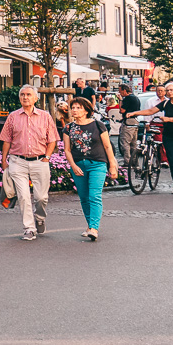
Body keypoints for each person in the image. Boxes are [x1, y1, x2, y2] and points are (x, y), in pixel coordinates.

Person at [0, 84, 59, 241]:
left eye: (28, 95)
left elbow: (52, 140)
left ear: (35, 98)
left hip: (40, 161)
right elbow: (6, 139)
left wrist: (47, 157)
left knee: (41, 198)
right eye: (22, 95)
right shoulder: (13, 116)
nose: (25, 97)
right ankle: (29, 228)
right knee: (23, 196)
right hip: (18, 161)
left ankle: (39, 217)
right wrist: (3, 160)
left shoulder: (45, 116)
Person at [63, 96, 118, 241]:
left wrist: (112, 165)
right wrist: (73, 166)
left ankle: (94, 227)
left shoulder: (98, 125)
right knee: (84, 198)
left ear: (87, 110)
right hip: (79, 165)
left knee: (94, 196)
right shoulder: (69, 128)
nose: (75, 110)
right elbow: (67, 150)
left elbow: (107, 146)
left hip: (97, 164)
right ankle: (90, 225)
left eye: (78, 108)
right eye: (73, 107)